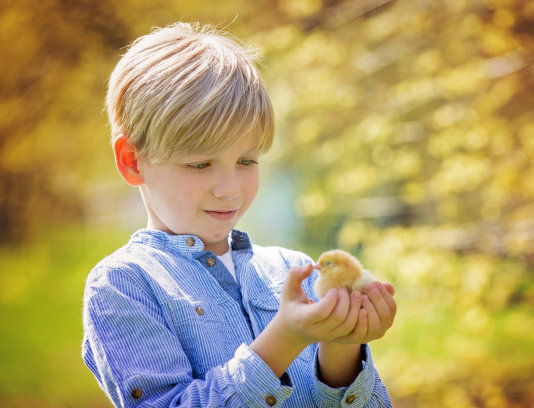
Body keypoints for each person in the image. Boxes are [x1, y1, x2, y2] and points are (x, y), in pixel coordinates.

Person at [82, 22, 397, 408]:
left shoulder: (295, 270)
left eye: (246, 160)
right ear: (133, 162)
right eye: (200, 165)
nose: (230, 188)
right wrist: (284, 339)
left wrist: (341, 346)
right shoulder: (124, 286)